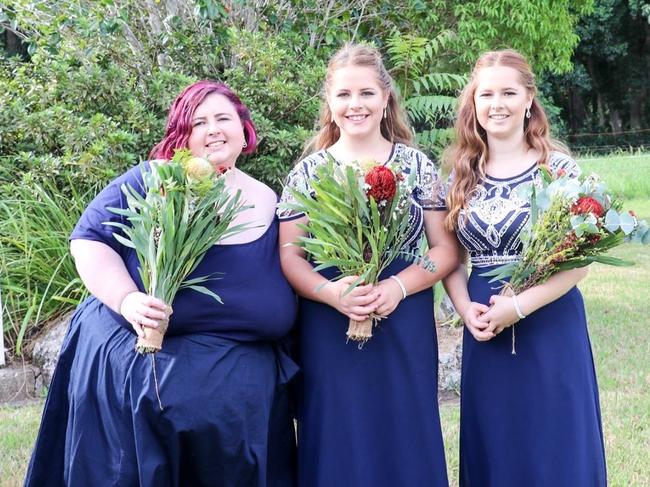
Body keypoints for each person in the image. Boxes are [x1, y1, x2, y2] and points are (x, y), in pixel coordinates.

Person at [25, 80, 298, 487]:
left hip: (239, 396)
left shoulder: (271, 202)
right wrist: (128, 299)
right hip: (142, 369)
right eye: (198, 122)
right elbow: (88, 239)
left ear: (245, 131)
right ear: (182, 137)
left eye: (223, 118)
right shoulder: (154, 181)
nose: (213, 130)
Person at [278, 43, 456, 487]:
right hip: (330, 321)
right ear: (330, 104)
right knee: (338, 431)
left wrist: (397, 287)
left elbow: (446, 250)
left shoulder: (416, 165)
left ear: (385, 98)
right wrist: (331, 293)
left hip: (404, 316)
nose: (354, 105)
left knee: (405, 427)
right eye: (343, 95)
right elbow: (290, 255)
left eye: (366, 93)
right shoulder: (308, 173)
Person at [442, 50, 607, 486]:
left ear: (529, 100)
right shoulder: (460, 175)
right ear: (473, 103)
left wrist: (517, 308)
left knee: (555, 444)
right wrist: (465, 309)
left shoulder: (558, 170)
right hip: (484, 327)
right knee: (497, 443)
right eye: (487, 93)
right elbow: (452, 260)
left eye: (509, 92)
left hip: (550, 324)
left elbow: (579, 263)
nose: (497, 104)